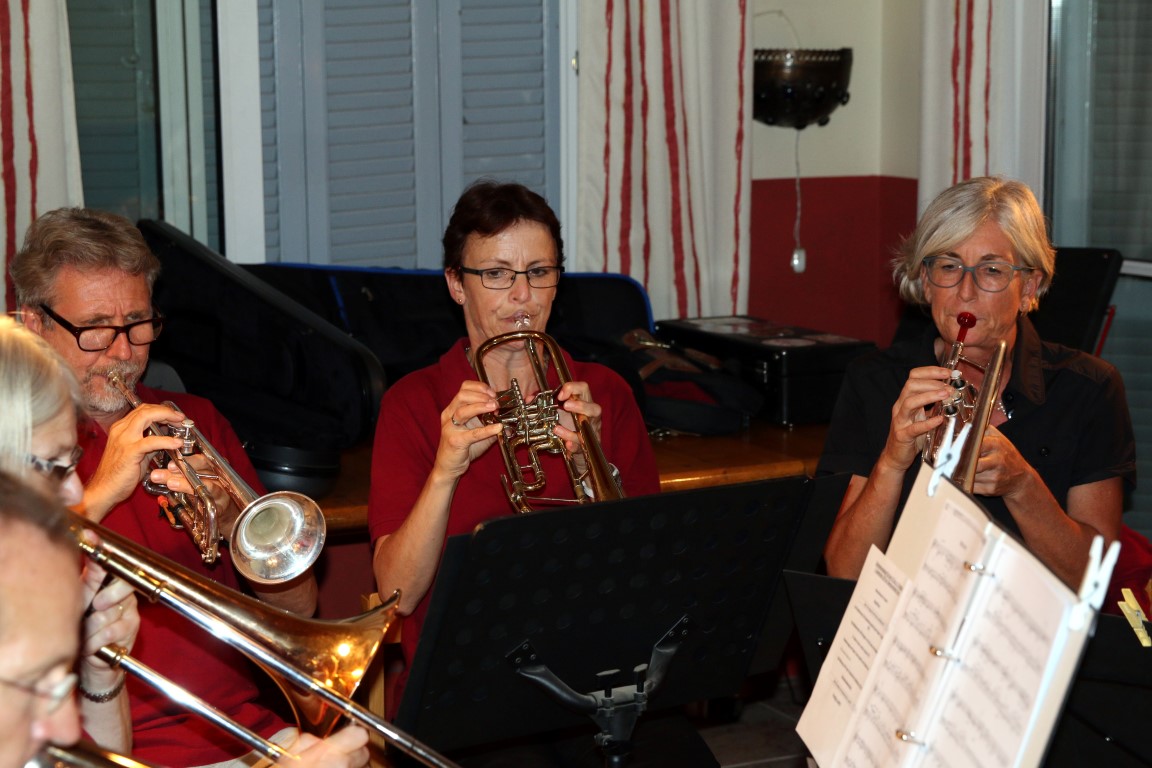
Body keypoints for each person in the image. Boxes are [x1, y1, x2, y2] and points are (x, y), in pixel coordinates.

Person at [10, 208, 369, 767]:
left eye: (138, 323)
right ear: (34, 325)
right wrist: (102, 490)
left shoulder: (193, 421)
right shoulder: (18, 446)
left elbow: (302, 612)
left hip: (246, 733)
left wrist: (234, 528)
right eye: (96, 328)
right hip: (105, 749)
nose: (123, 353)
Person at [369, 180, 661, 716]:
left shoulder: (604, 393)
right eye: (497, 274)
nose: (523, 295)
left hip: (593, 672)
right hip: (461, 686)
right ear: (456, 284)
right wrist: (445, 473)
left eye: (539, 272)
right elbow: (399, 596)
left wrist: (591, 468)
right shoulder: (412, 402)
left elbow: (647, 571)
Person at [819, 176, 1136, 590]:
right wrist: (892, 462)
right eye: (948, 266)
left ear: (1029, 287)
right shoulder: (873, 380)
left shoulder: (1089, 388)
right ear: (926, 281)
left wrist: (1023, 487)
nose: (965, 292)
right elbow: (844, 572)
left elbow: (1093, 582)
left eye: (991, 270)